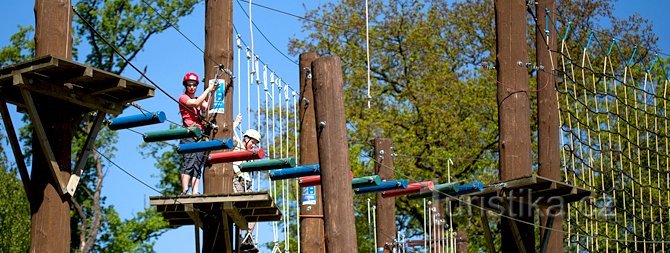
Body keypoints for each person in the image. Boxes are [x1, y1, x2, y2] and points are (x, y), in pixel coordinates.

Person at [178, 72, 218, 195]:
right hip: (189, 132)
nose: (192, 87)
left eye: (194, 85)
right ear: (185, 86)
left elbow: (208, 107)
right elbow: (194, 104)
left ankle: (195, 191)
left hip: (200, 134)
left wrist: (213, 91)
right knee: (189, 160)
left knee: (198, 163)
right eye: (189, 85)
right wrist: (208, 90)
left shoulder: (198, 99)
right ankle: (185, 190)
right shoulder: (183, 98)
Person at [232, 114, 261, 252]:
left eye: (255, 143)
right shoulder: (238, 145)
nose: (253, 145)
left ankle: (247, 237)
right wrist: (236, 123)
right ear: (246, 139)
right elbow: (228, 132)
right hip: (237, 181)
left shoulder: (251, 155)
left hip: (247, 183)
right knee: (239, 211)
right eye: (252, 142)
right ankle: (239, 241)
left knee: (255, 210)